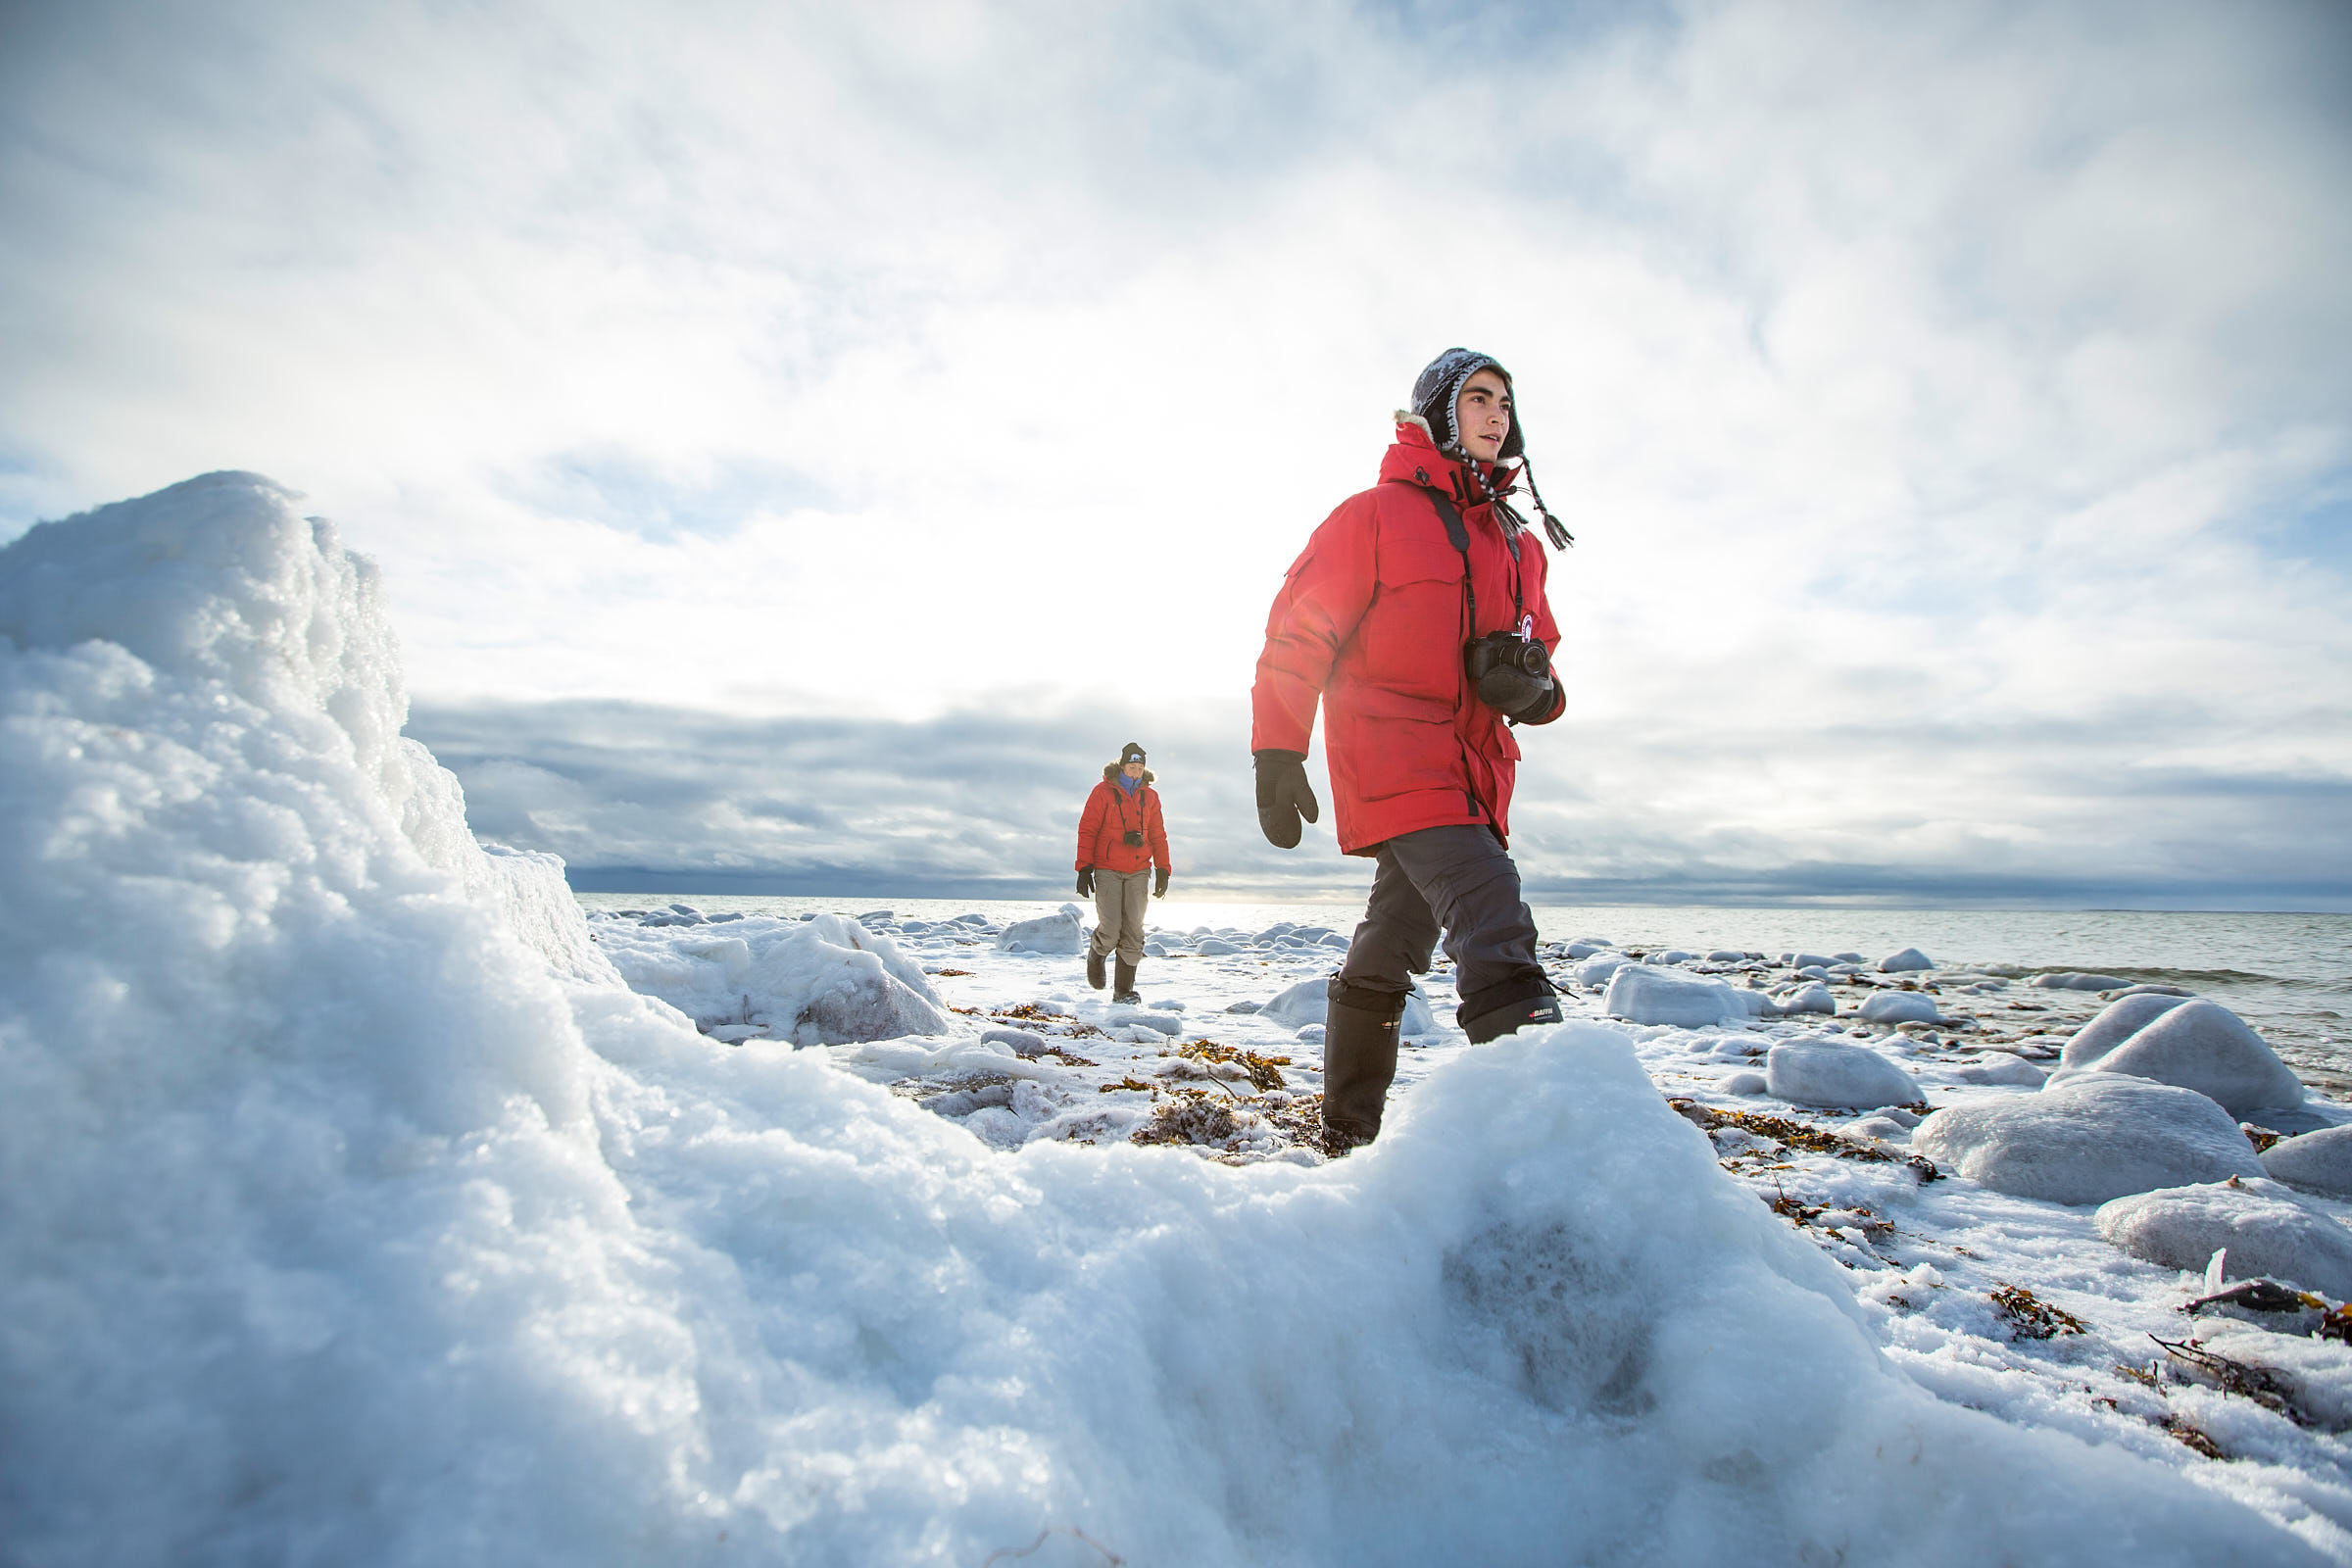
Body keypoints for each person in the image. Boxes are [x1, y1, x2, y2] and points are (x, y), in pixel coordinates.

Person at [1250, 348, 1572, 1151]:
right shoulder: (1374, 515)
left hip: (1475, 776)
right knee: (1492, 916)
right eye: (1478, 399)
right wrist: (1278, 750)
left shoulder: (1517, 541)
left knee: (1390, 946)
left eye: (1505, 401)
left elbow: (1545, 653)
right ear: (1438, 414)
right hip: (1395, 757)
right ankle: (1555, 1146)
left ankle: (1347, 1135)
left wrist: (1537, 692)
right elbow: (1299, 632)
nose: (1497, 415)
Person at [1075, 741, 1171, 1004]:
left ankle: (1124, 992)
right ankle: (1097, 952)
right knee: (1111, 927)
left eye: (1140, 767)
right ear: (1122, 765)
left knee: (1134, 931)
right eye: (1131, 766)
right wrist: (1084, 867)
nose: (1136, 771)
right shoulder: (1102, 792)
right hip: (1108, 868)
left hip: (1139, 869)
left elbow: (1158, 834)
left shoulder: (1150, 797)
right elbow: (1088, 829)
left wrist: (1163, 869)